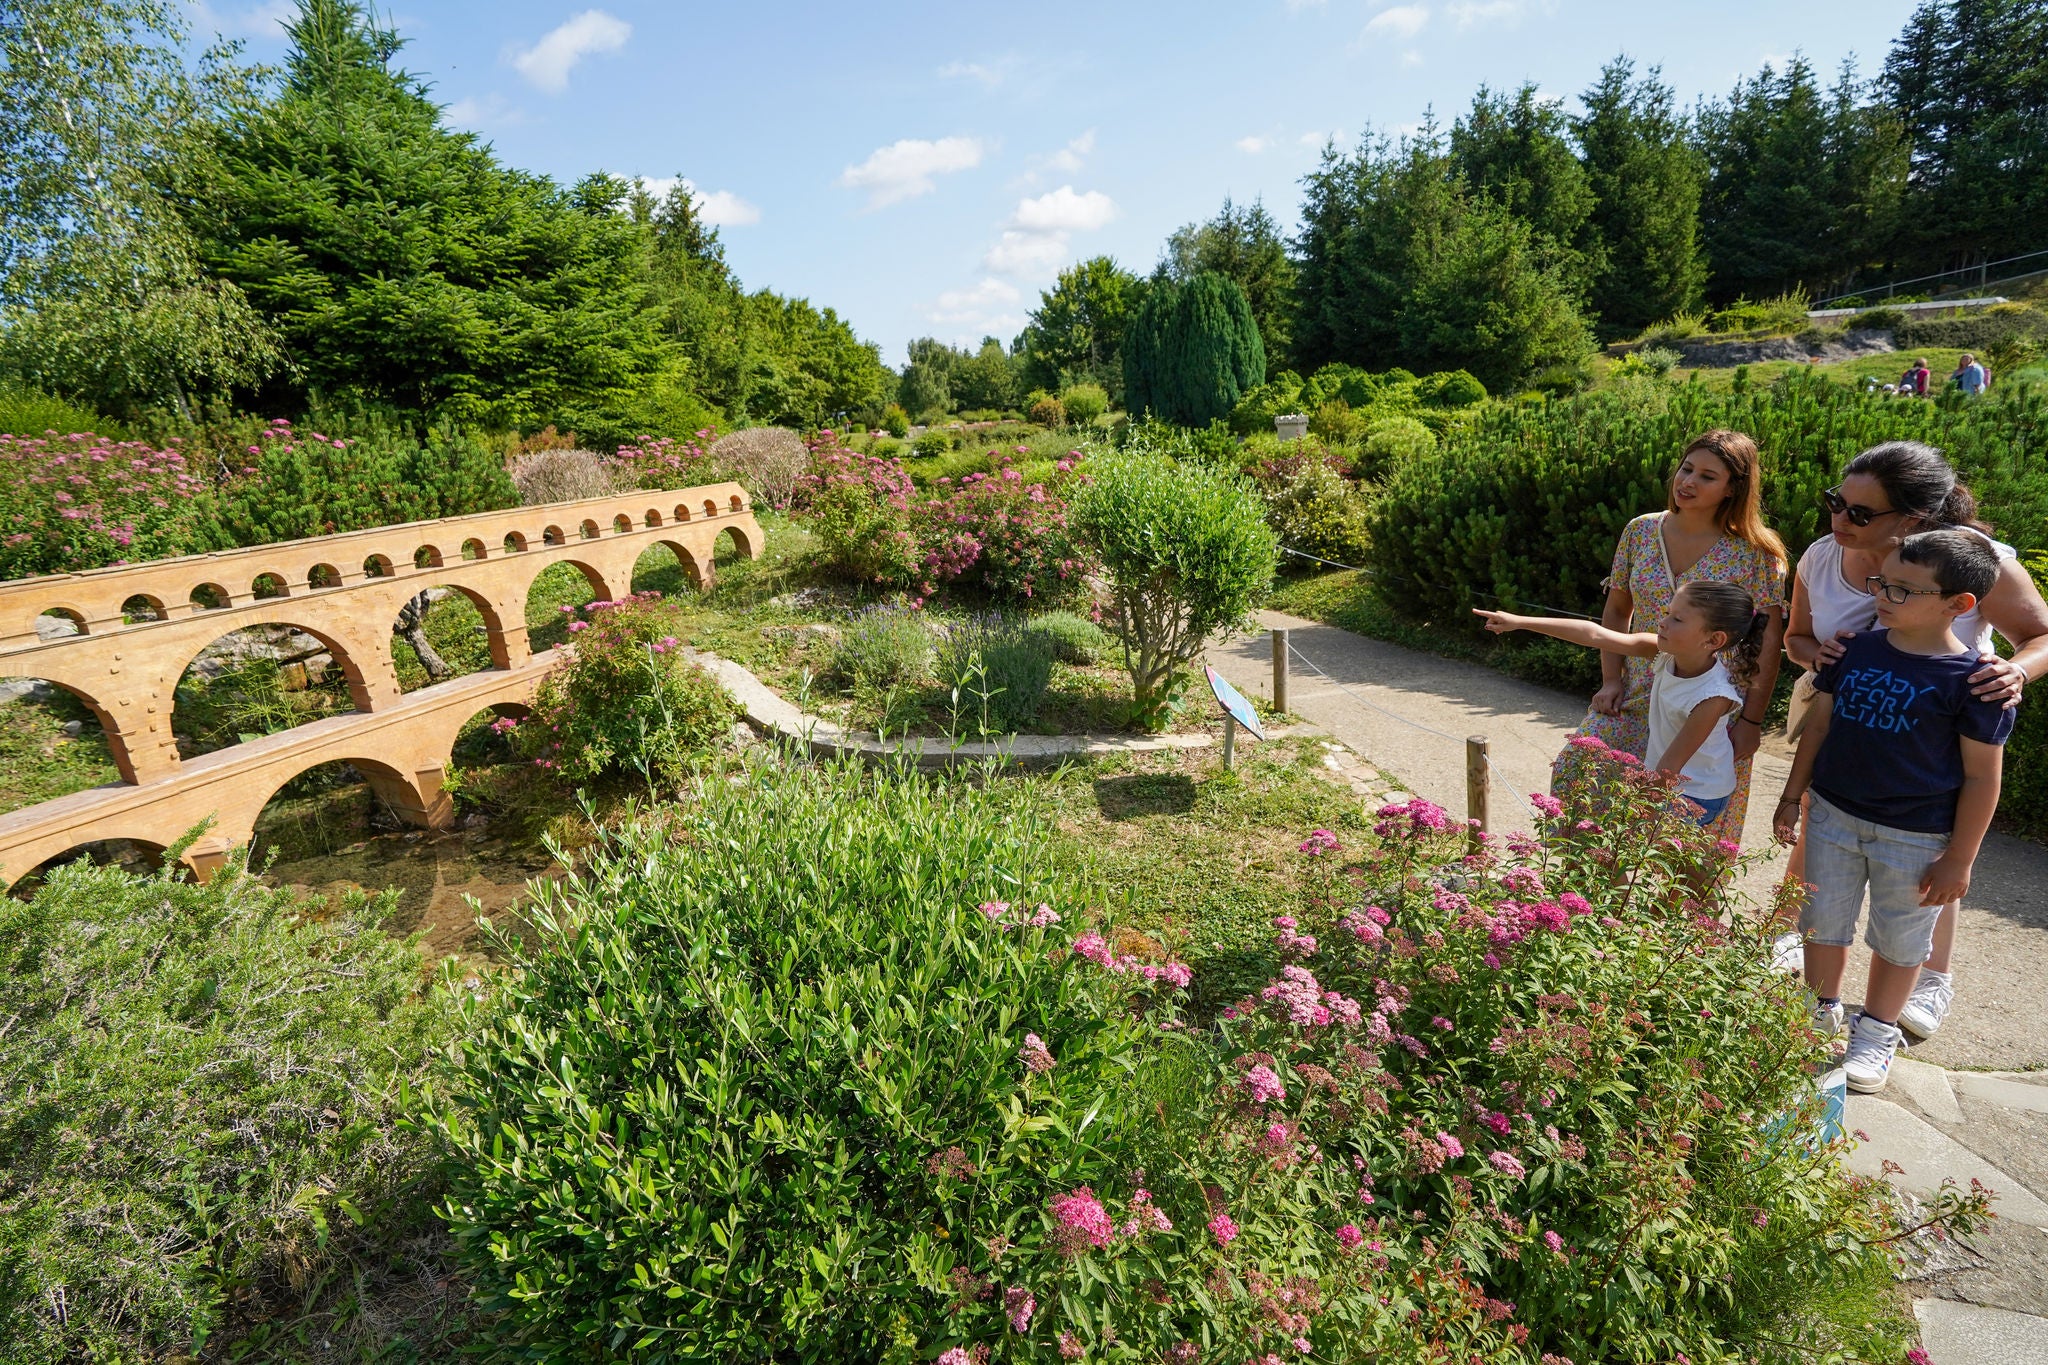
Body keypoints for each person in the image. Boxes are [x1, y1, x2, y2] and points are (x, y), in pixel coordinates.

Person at [1777, 441, 2048, 1036]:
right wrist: (1817, 655)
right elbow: (1796, 637)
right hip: (1848, 721)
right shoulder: (1823, 557)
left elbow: (2040, 634)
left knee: (1924, 870)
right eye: (1836, 503)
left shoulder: (1971, 561)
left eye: (1860, 513)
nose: (1839, 521)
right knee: (1831, 843)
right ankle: (1812, 970)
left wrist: (2016, 670)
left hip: (1939, 728)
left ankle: (1931, 980)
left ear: (1914, 521)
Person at [1772, 531, 2014, 1093]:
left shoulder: (1976, 682)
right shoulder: (1852, 649)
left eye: (1906, 590)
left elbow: (1982, 776)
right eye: (1884, 582)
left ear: (1960, 605)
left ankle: (1877, 1030)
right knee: (1821, 921)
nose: (1884, 595)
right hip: (1833, 814)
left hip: (1919, 836)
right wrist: (1792, 795)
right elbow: (1821, 727)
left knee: (1903, 940)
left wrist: (1960, 858)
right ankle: (1819, 1011)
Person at [1553, 429, 1787, 847]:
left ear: (1734, 487)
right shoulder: (1641, 530)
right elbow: (1617, 610)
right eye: (1686, 468)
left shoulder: (1757, 553)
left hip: (1707, 707)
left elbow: (1768, 640)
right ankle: (1586, 900)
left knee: (1688, 843)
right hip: (1637, 693)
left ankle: (1676, 914)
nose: (1688, 482)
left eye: (1707, 476)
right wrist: (1611, 679)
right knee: (1577, 780)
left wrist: (1752, 721)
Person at [1481, 581, 1766, 825]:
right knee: (1640, 861)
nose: (1662, 622)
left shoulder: (1713, 697)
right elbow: (1595, 634)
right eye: (1668, 613)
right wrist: (1520, 622)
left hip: (1699, 794)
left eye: (1677, 619)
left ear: (1713, 639)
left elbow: (1670, 765)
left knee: (1670, 874)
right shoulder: (1666, 652)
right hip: (1669, 781)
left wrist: (1636, 807)